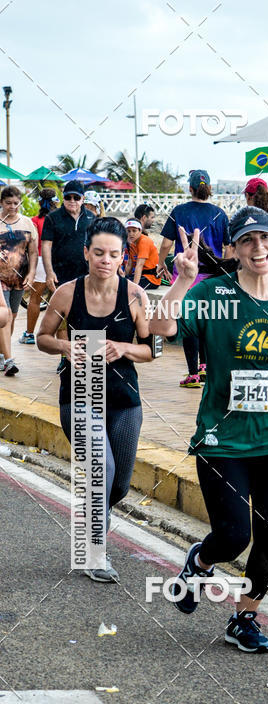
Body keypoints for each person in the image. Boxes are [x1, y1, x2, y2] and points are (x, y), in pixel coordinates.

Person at [148, 207, 268, 653]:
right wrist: (182, 280)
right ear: (232, 250)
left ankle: (244, 618)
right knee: (234, 535)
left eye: (265, 238)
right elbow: (160, 328)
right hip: (221, 438)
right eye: (247, 240)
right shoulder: (212, 294)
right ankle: (200, 562)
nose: (258, 247)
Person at [37, 217, 154, 582]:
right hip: (79, 396)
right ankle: (93, 552)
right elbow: (42, 337)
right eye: (99, 252)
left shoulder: (135, 295)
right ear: (86, 252)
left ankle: (95, 515)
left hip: (124, 400)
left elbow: (152, 349)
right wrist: (64, 346)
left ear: (123, 257)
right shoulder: (66, 293)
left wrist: (124, 348)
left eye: (114, 254)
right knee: (102, 469)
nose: (106, 260)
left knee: (119, 485)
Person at [158, 169, 230, 387]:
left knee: (189, 323)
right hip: (212, 277)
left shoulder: (179, 211)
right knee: (208, 322)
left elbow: (166, 244)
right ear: (209, 189)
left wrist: (161, 263)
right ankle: (205, 366)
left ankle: (193, 374)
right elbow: (228, 248)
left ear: (190, 188)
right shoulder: (220, 213)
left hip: (186, 277)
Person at [0, 186, 38, 375]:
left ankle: (2, 353)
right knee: (5, 314)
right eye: (8, 203)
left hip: (19, 278)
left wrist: (31, 273)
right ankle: (8, 360)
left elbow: (33, 251)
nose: (12, 207)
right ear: (1, 203)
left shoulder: (27, 223)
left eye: (16, 203)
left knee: (13, 316)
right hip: (1, 278)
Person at [19, 189, 59, 345]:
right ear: (56, 202)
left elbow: (31, 246)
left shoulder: (34, 221)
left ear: (39, 202)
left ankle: (29, 334)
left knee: (35, 299)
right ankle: (60, 336)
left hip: (41, 261)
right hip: (59, 261)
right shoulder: (60, 219)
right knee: (60, 300)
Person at [41, 179, 96, 291]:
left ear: (83, 199)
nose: (72, 201)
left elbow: (97, 245)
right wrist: (49, 272)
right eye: (68, 197)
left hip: (86, 274)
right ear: (63, 197)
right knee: (60, 303)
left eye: (76, 197)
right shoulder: (52, 218)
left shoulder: (91, 217)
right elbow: (46, 246)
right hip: (60, 275)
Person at [124, 219, 160, 289]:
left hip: (151, 279)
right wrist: (124, 277)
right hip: (142, 276)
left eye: (134, 231)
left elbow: (139, 265)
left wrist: (134, 287)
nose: (131, 234)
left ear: (140, 231)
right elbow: (130, 265)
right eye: (128, 231)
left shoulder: (144, 241)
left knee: (124, 285)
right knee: (119, 281)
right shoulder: (132, 243)